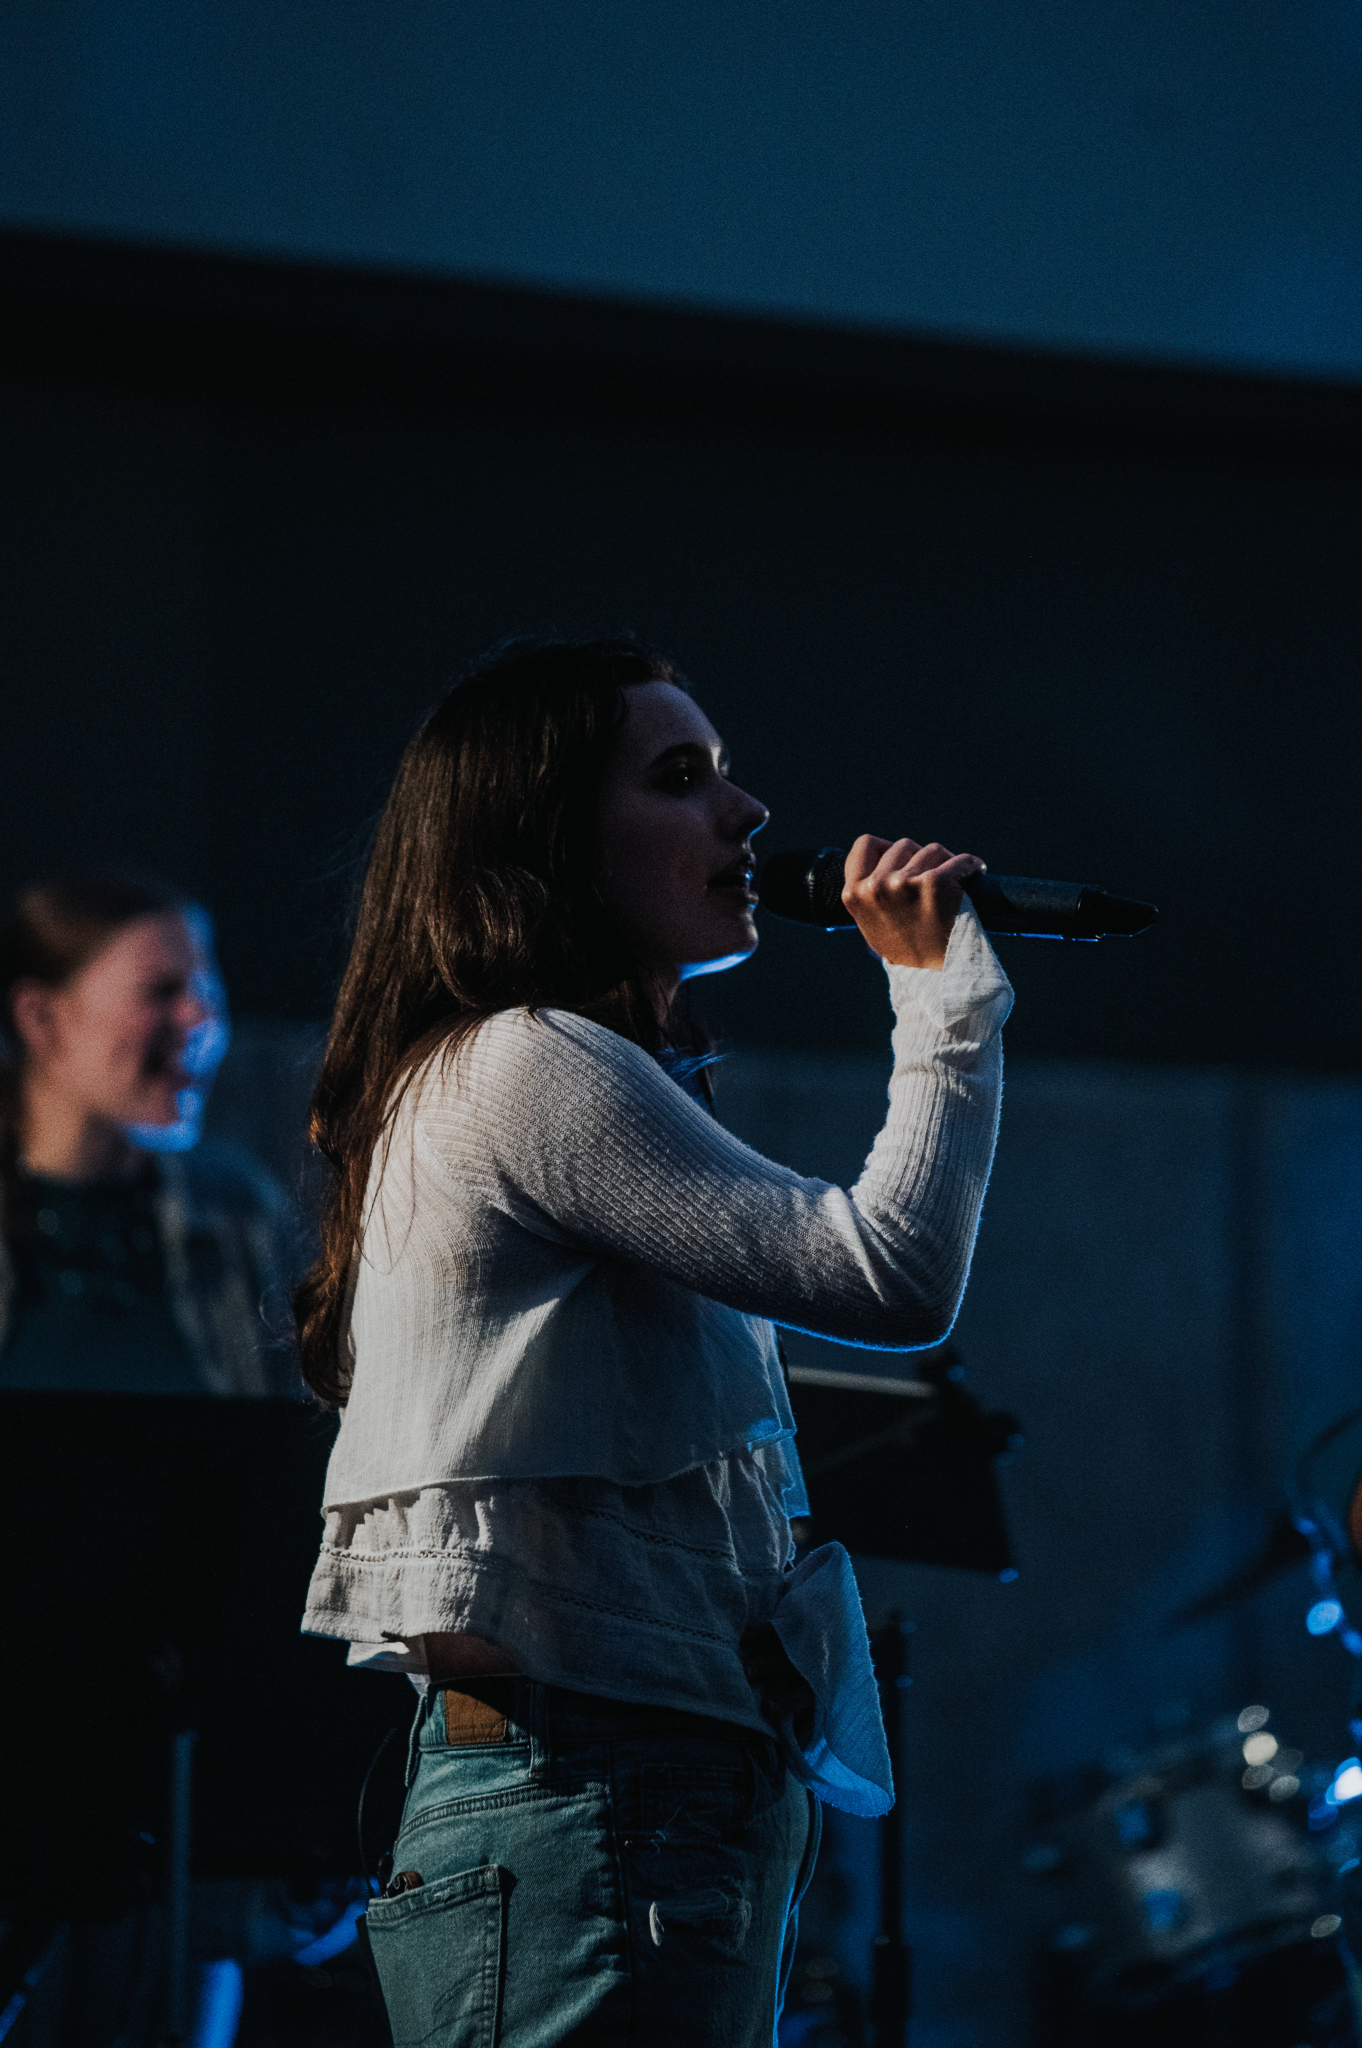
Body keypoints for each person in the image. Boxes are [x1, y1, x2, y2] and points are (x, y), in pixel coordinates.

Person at [295, 636, 1014, 2046]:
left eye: (727, 775)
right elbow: (890, 1274)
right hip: (596, 1797)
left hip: (625, 1793)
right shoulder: (524, 1061)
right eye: (681, 779)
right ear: (544, 837)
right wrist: (944, 1004)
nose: (746, 815)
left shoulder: (532, 1065)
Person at [0, 868, 296, 1395]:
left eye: (206, 993)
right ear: (42, 1017)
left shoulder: (240, 1214)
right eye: (162, 992)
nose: (201, 1020)